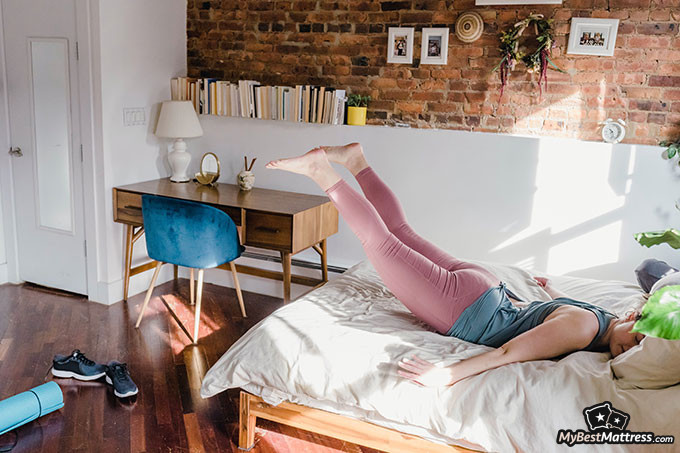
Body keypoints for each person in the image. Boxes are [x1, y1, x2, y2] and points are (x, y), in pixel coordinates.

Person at [266, 143, 646, 387]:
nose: (632, 348)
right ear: (634, 316)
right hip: (467, 309)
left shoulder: (602, 316)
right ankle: (322, 171)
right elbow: (506, 354)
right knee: (380, 242)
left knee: (399, 231)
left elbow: (568, 310)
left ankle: (356, 161)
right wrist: (446, 375)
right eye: (638, 338)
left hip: (486, 286)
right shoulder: (584, 330)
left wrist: (549, 291)